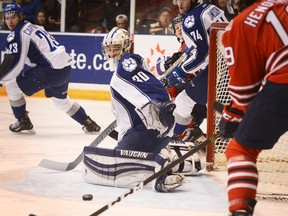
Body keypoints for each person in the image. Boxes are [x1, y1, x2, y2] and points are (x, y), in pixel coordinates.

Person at [82, 27, 205, 191]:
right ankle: (174, 155)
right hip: (153, 128)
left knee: (120, 166)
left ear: (126, 47)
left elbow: (156, 94)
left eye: (116, 48)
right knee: (127, 156)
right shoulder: (132, 63)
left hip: (148, 128)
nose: (111, 53)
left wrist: (159, 108)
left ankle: (161, 169)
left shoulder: (126, 64)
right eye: (109, 49)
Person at [218, 0, 288, 215]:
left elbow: (244, 92)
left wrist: (232, 116)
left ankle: (240, 209)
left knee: (240, 149)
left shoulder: (240, 24)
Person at [0, 3, 101, 134]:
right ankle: (88, 122)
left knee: (12, 87)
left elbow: (15, 64)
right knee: (61, 101)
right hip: (64, 69)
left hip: (51, 70)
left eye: (13, 17)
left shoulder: (18, 33)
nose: (10, 21)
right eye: (7, 18)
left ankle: (23, 121)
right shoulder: (33, 26)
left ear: (20, 16)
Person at [164, 0, 227, 144]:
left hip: (220, 65)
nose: (179, 3)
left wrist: (180, 71)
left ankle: (175, 139)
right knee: (213, 105)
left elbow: (203, 55)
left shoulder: (192, 18)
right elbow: (203, 45)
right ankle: (225, 138)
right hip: (229, 61)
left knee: (184, 100)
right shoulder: (210, 7)